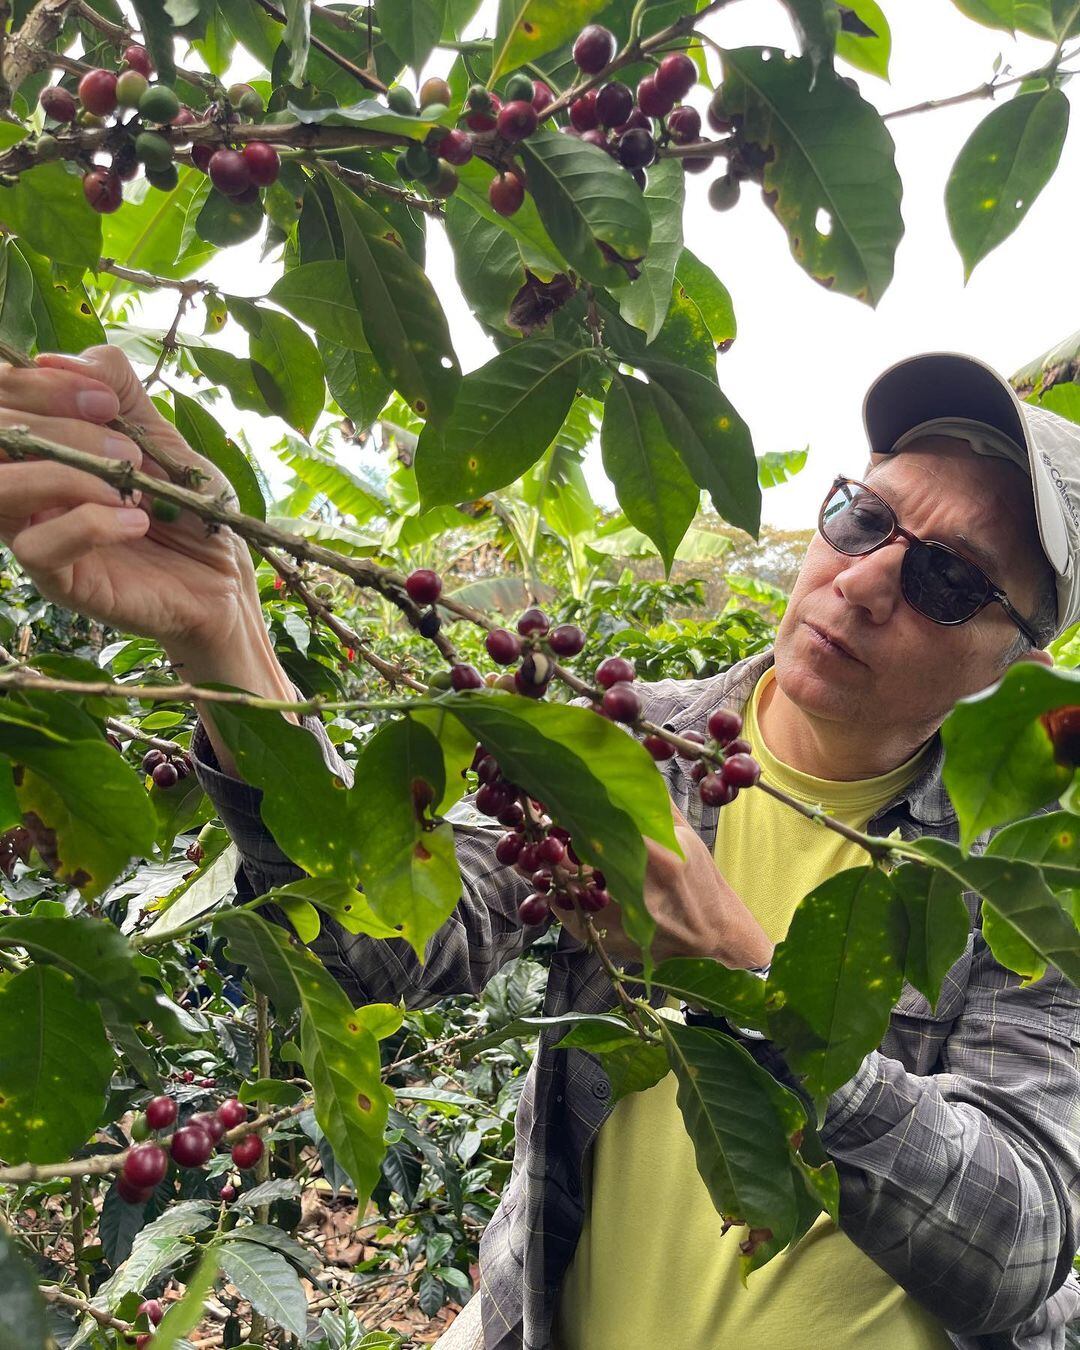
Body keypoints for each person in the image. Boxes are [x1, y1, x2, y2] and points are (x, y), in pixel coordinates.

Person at [0, 346, 1078, 1349]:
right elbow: (380, 942)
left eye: (946, 581)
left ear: (1019, 657)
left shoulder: (1025, 884)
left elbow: (1017, 1245)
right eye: (862, 519)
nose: (865, 580)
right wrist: (222, 631)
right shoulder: (626, 749)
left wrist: (748, 986)